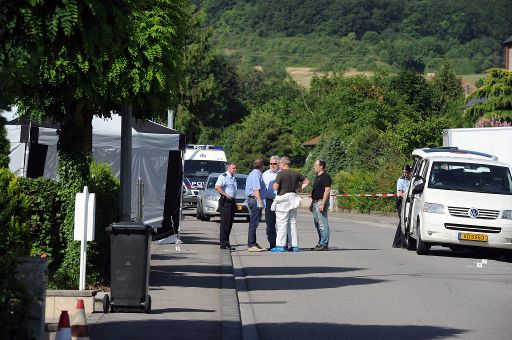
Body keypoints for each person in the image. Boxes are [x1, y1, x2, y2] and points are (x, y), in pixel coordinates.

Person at [271, 156, 310, 252]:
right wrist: (299, 189)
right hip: (293, 199)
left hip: (283, 200)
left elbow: (275, 188)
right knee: (292, 223)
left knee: (282, 223)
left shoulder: (280, 174)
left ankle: (281, 245)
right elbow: (307, 181)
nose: (278, 165)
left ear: (284, 163)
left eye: (279, 163)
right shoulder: (296, 173)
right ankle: (294, 245)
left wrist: (274, 184)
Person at [245, 158, 267, 252]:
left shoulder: (255, 173)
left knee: (255, 222)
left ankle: (253, 243)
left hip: (254, 200)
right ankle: (251, 244)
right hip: (255, 200)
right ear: (262, 166)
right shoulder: (255, 174)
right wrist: (260, 202)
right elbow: (255, 190)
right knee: (253, 223)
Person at [215, 163, 238, 250]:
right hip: (226, 202)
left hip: (232, 201)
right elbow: (217, 186)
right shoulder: (223, 176)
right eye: (233, 168)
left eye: (236, 168)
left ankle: (226, 242)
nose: (235, 170)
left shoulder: (233, 177)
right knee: (225, 223)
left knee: (230, 223)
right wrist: (225, 195)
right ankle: (223, 243)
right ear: (228, 168)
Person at [311, 160, 332, 251]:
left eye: (315, 165)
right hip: (315, 202)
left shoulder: (325, 177)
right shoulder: (317, 177)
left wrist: (323, 203)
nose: (314, 167)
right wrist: (312, 203)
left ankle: (324, 243)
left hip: (320, 202)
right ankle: (320, 242)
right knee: (317, 224)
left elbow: (327, 190)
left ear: (321, 166)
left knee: (323, 224)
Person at [262, 155, 281, 249]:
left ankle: (281, 244)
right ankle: (273, 244)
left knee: (281, 224)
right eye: (271, 163)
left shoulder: (282, 173)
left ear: (279, 164)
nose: (272, 165)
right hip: (269, 201)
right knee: (270, 224)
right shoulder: (265, 174)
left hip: (280, 201)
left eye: (274, 164)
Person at [392, 165, 412, 248]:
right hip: (401, 202)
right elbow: (400, 192)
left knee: (404, 222)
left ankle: (399, 242)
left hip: (408, 202)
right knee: (402, 221)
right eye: (404, 172)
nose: (405, 174)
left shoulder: (410, 180)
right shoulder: (400, 180)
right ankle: (398, 242)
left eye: (407, 172)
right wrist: (407, 196)